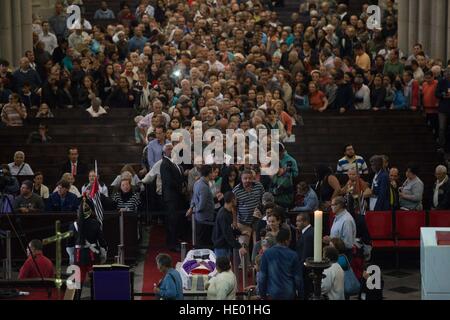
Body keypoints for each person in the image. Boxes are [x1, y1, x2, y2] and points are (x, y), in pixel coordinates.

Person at [71, 196, 108, 283]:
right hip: (92, 254)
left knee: (78, 281)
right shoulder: (95, 223)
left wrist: (71, 255)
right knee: (96, 279)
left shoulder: (73, 225)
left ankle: (76, 295)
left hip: (78, 254)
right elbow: (101, 239)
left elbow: (70, 242)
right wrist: (104, 250)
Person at [258, 228, 303, 300]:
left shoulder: (267, 253)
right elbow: (298, 279)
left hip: (272, 293)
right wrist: (301, 295)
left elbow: (262, 277)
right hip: (289, 293)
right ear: (286, 241)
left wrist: (262, 295)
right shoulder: (293, 255)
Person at [160, 142, 185, 252]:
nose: (171, 150)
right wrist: (180, 188)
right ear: (164, 151)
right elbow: (168, 181)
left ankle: (174, 241)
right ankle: (172, 244)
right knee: (172, 220)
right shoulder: (165, 163)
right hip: (171, 197)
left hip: (176, 196)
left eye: (172, 148)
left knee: (176, 220)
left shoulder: (174, 162)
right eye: (169, 149)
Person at [233, 169, 265, 249]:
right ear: (241, 179)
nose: (248, 180)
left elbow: (263, 200)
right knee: (243, 247)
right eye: (245, 178)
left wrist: (261, 211)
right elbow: (234, 207)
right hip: (243, 222)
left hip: (257, 221)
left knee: (258, 247)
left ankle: (255, 261)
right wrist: (234, 222)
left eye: (250, 178)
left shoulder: (259, 186)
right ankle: (244, 262)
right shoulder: (236, 190)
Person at [212, 192, 247, 259]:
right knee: (223, 268)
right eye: (235, 199)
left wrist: (240, 232)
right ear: (232, 200)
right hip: (221, 247)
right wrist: (239, 247)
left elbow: (231, 228)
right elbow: (227, 233)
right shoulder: (223, 215)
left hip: (224, 245)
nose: (237, 200)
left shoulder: (227, 212)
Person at [188, 165, 216, 249]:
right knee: (204, 243)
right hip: (205, 218)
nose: (214, 174)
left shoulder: (197, 183)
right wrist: (194, 209)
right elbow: (201, 206)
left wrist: (191, 208)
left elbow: (193, 198)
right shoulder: (203, 186)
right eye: (212, 172)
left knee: (201, 240)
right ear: (209, 174)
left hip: (201, 218)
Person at [295, 213, 314, 299]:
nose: (296, 223)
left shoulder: (308, 235)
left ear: (305, 221)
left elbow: (306, 255)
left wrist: (299, 271)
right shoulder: (307, 232)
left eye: (298, 221)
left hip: (306, 271)